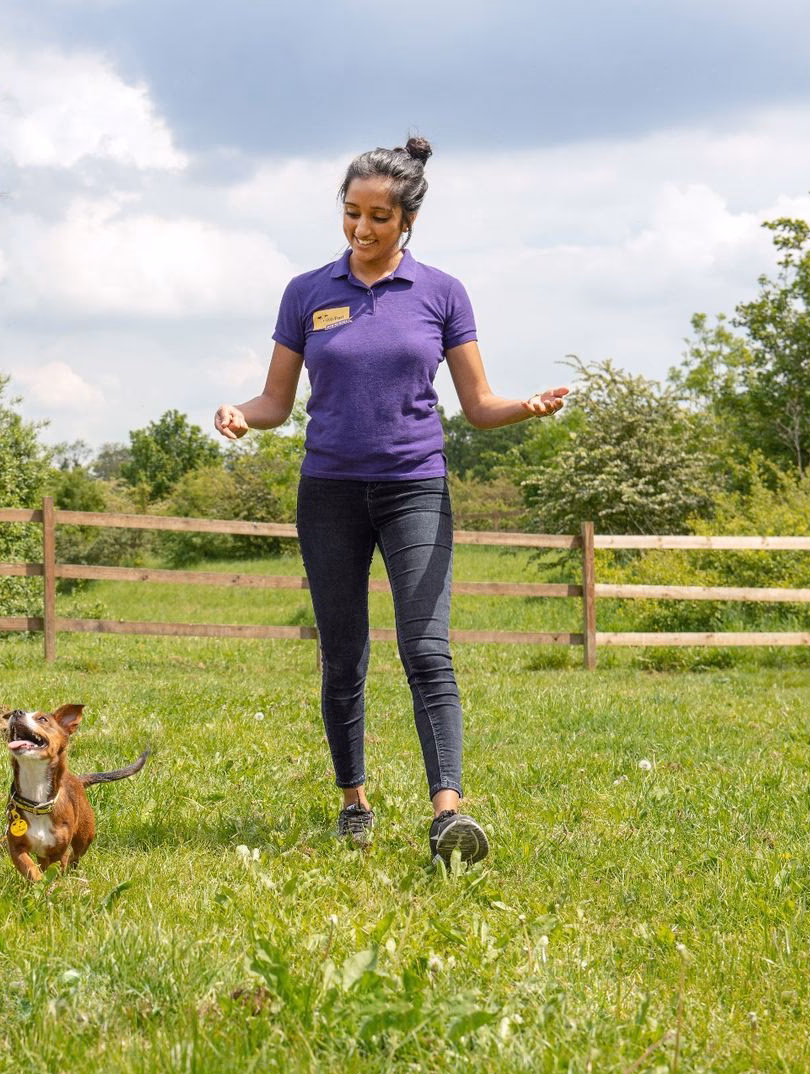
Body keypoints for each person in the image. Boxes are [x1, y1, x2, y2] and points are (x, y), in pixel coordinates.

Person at [214, 136, 566, 867]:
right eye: (352, 214)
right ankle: (354, 802)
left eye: (379, 217)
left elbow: (477, 404)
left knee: (427, 650)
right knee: (344, 658)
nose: (362, 229)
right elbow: (278, 400)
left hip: (415, 487)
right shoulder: (307, 293)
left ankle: (448, 815)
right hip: (330, 492)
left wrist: (525, 407)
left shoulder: (441, 292)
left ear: (408, 220)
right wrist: (243, 413)